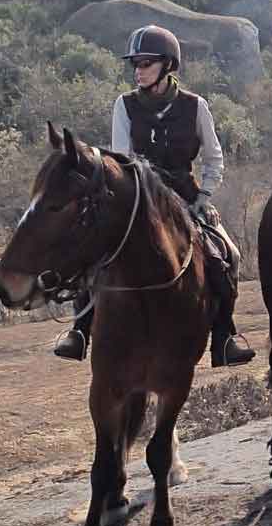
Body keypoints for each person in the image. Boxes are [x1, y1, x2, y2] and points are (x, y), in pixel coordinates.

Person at [51, 24, 256, 367]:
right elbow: (120, 157)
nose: (139, 71)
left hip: (185, 197)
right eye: (135, 64)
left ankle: (224, 336)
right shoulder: (124, 105)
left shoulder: (195, 106)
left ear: (167, 65)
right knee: (95, 249)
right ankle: (80, 331)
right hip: (139, 198)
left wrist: (205, 196)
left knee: (227, 254)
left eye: (146, 63)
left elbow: (214, 156)